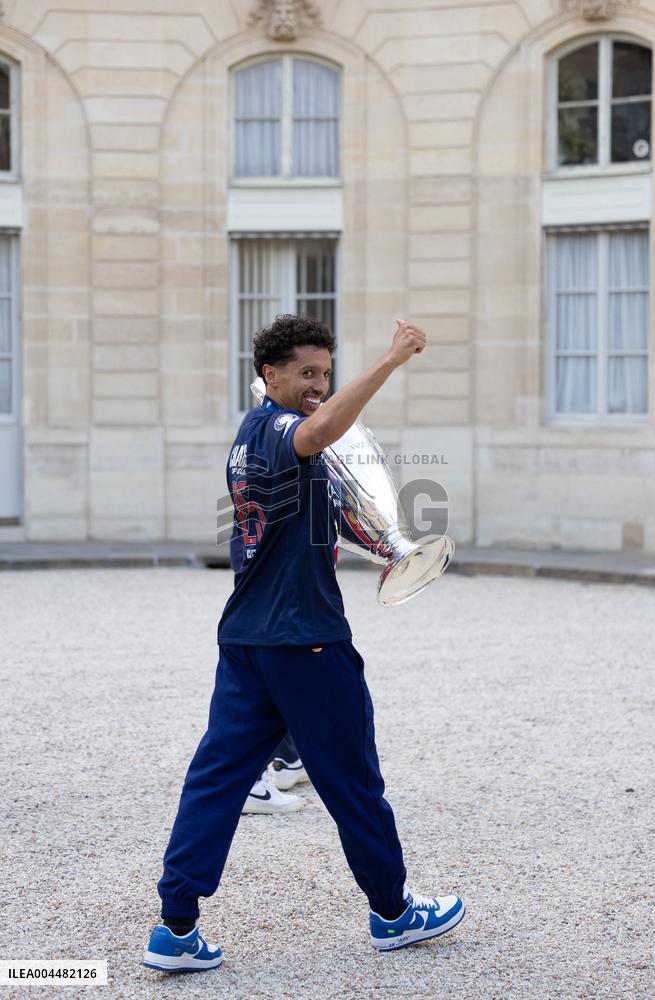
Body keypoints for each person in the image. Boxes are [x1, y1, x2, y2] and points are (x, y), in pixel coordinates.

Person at [143, 315, 465, 973]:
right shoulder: (284, 429)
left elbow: (330, 500)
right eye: (306, 373)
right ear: (269, 374)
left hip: (248, 641)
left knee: (216, 781)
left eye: (325, 373)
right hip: (306, 641)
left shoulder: (252, 436)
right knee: (352, 781)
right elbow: (316, 431)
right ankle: (394, 913)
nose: (318, 386)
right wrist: (391, 361)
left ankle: (175, 928)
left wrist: (387, 544)